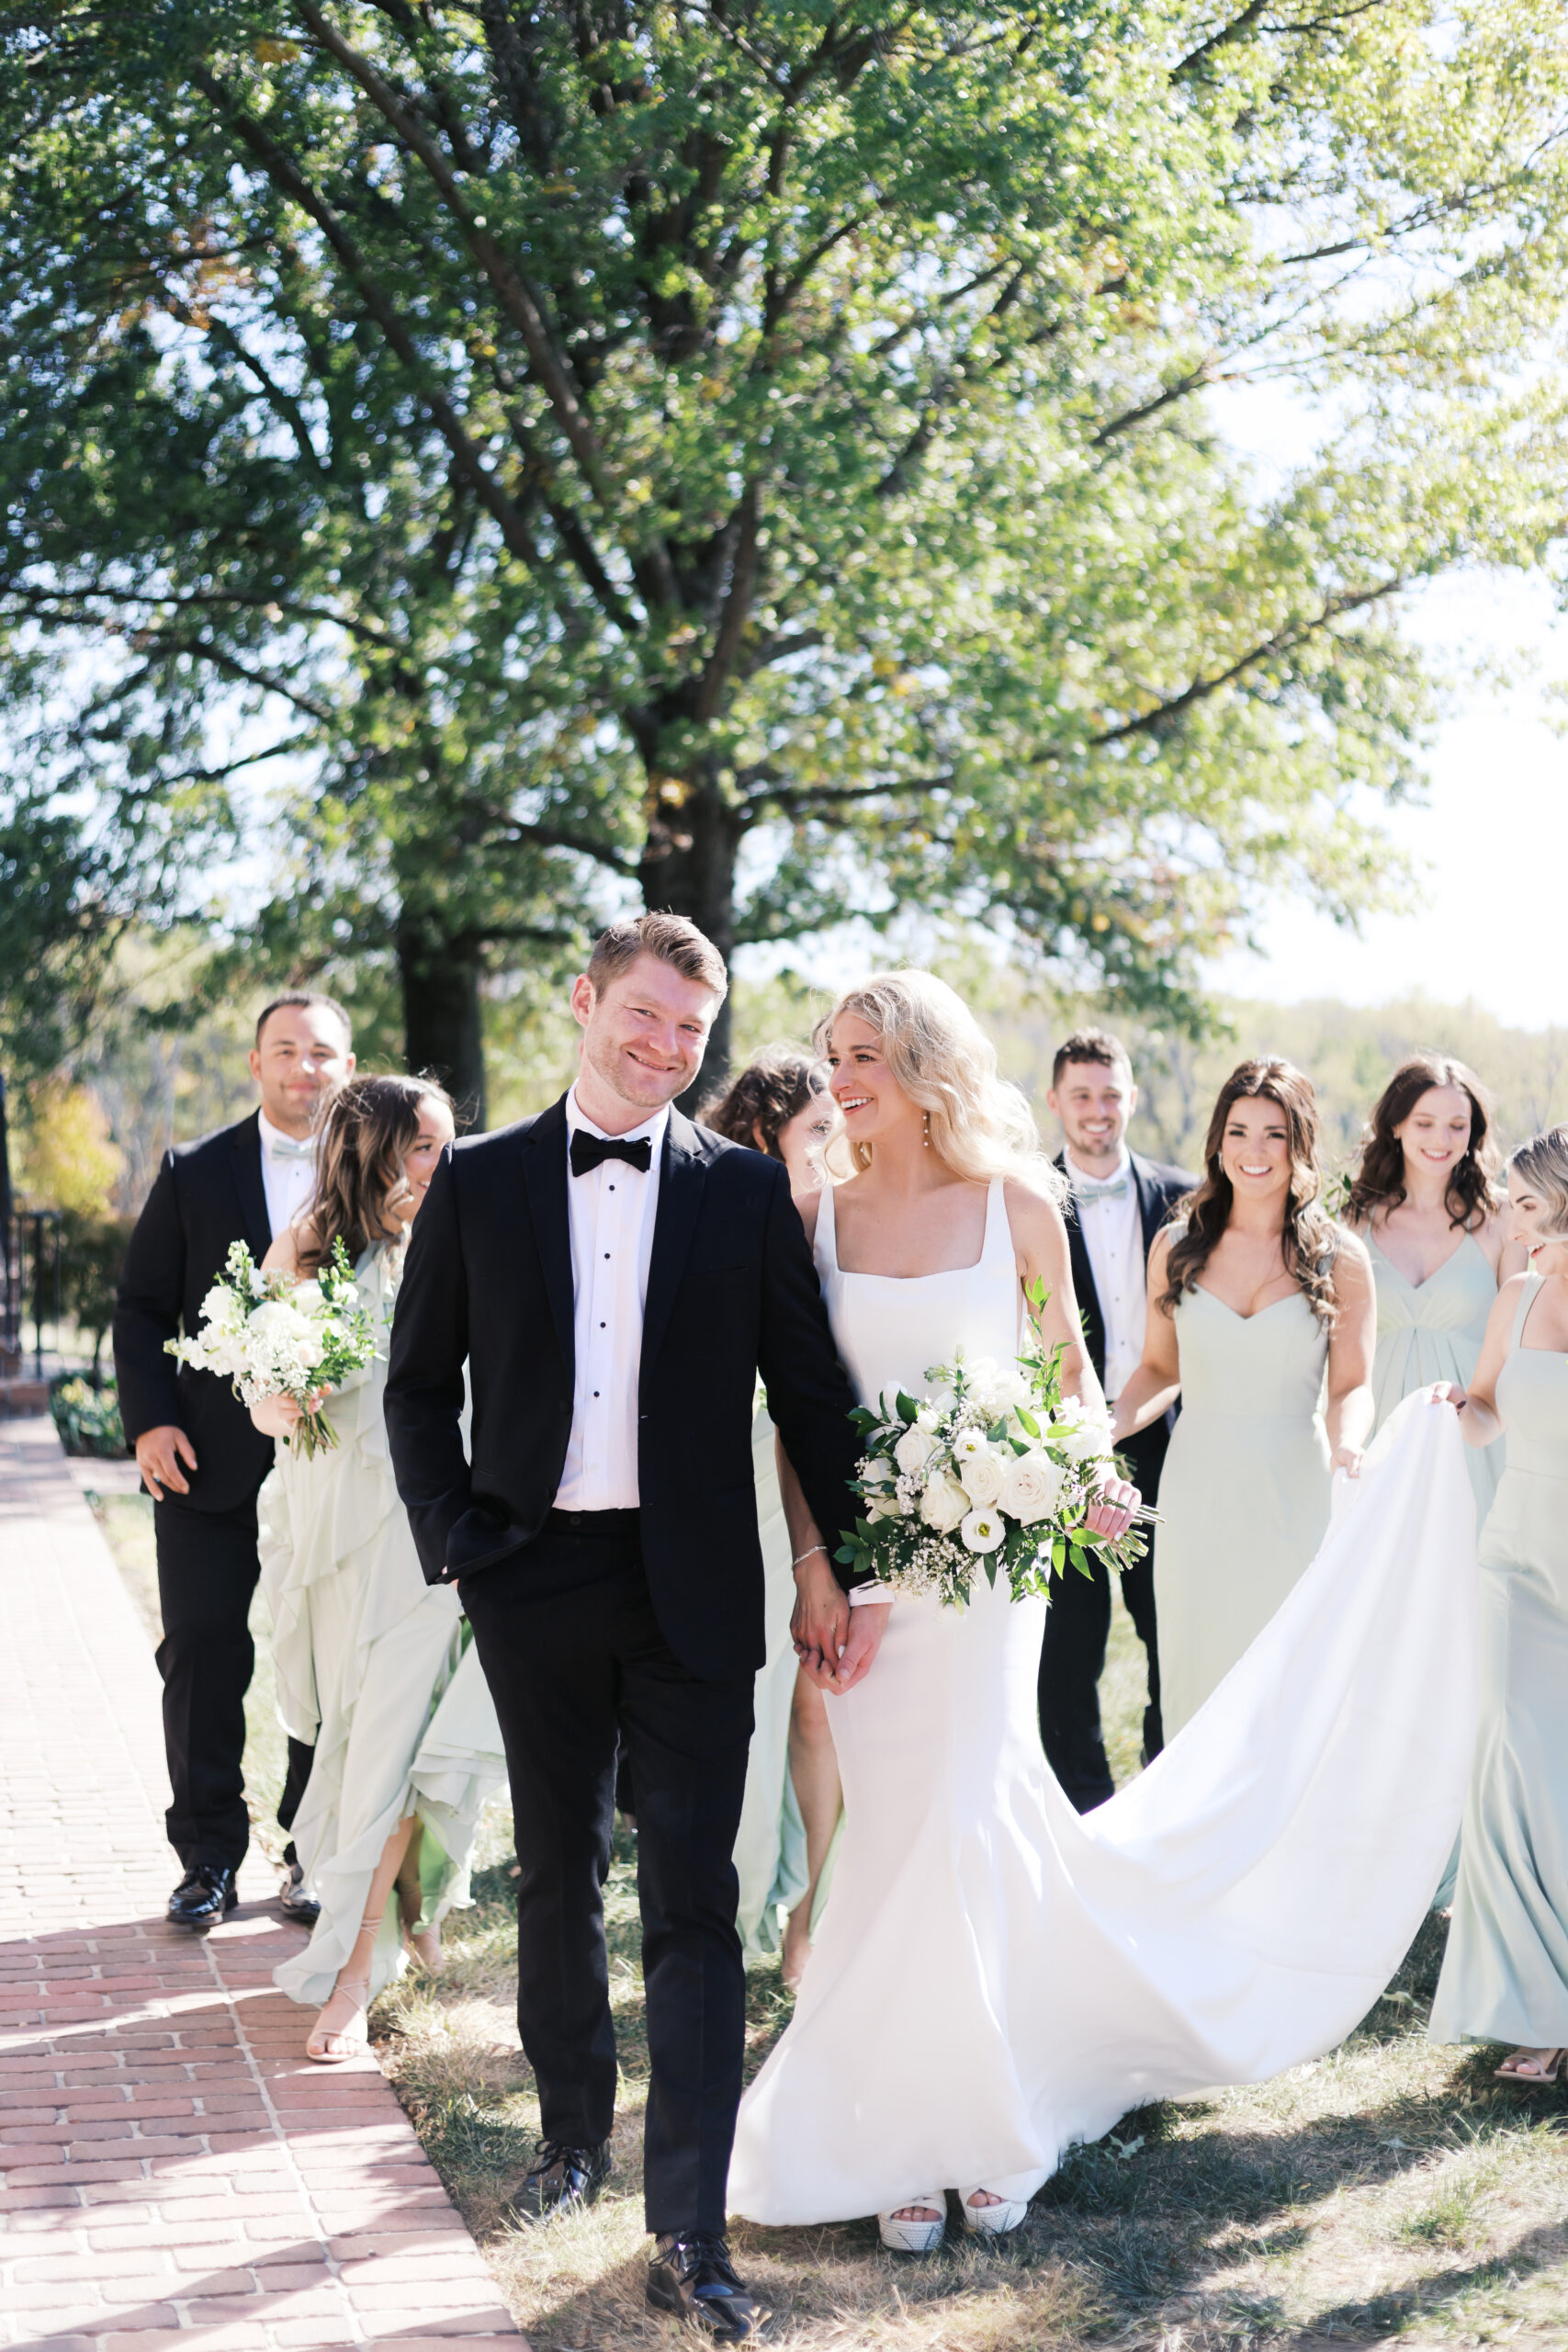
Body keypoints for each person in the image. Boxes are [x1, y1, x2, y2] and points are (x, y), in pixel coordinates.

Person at [729, 978, 1478, 2250]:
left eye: (864, 1056)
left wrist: (1049, 1481)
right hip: (866, 1575)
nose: (840, 1078)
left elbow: (1069, 1382)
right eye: (830, 1058)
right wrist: (814, 1565)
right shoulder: (807, 1219)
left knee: (960, 1822)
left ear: (922, 1066)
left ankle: (974, 2136)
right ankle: (892, 2127)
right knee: (897, 1838)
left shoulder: (1016, 1205)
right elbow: (798, 1419)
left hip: (990, 1578)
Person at [384, 913, 863, 2345]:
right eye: (643, 1018)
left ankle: (689, 2227)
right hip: (531, 1578)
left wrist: (855, 1560)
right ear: (584, 1001)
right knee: (556, 1875)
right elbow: (417, 1388)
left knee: (695, 1904)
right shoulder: (477, 1182)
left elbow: (815, 1393)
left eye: (688, 1034)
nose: (663, 1050)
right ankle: (570, 2137)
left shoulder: (739, 1197)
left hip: (696, 1593)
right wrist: (461, 1546)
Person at [252, 1074, 505, 2063]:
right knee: (356, 1742)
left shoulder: (469, 1240)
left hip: (427, 1526)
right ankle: (414, 1895)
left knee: (399, 1737)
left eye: (449, 1144)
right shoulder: (304, 1248)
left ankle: (352, 1976)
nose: (447, 1165)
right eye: (429, 1147)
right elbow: (261, 1377)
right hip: (333, 1527)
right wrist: (275, 1400)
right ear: (377, 1152)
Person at [113, 992, 355, 1929]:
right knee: (206, 1651)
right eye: (285, 1050)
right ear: (255, 1063)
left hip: (333, 1465)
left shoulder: (375, 1164)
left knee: (322, 1661)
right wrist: (147, 1423)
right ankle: (207, 1855)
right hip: (206, 1462)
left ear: (346, 1064)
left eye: (321, 1053)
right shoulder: (192, 1171)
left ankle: (309, 1851)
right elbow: (141, 1308)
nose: (304, 1068)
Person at [1111, 1059, 1376, 1738]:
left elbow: (1350, 1386)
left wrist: (1349, 1446)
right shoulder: (1176, 1246)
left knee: (1292, 1692)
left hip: (1296, 1492)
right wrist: (1090, 1431)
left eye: (1274, 1135)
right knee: (1199, 1679)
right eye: (1239, 1132)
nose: (1253, 1152)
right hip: (1198, 1496)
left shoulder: (1338, 1257)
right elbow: (1155, 1369)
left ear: (1300, 1146)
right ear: (1217, 1143)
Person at [1430, 1125, 1568, 2085]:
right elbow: (1486, 1409)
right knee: (1519, 1758)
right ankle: (1538, 2005)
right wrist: (1451, 1415)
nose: (1510, 1220)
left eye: (1525, 1203)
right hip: (1517, 1560)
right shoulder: (1514, 1298)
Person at [701, 1047, 841, 1984]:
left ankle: (813, 1916)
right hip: (739, 1486)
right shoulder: (718, 1216)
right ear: (762, 1134)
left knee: (820, 1708)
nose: (838, 1146)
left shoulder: (847, 1224)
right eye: (818, 1131)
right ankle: (735, 1899)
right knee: (757, 1706)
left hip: (832, 1480)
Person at [1042, 1030, 1192, 1807]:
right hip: (1061, 1449)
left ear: (1131, 1097)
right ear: (1055, 1103)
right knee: (1068, 1641)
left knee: (1171, 1625)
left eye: (1110, 1094)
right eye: (1081, 1096)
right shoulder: (1025, 1195)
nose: (1098, 1111)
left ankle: (1168, 1794)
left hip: (1170, 1440)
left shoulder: (1189, 1195)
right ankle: (1084, 1807)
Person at [1346, 1052, 1517, 1518]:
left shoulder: (1502, 1220)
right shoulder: (1351, 1219)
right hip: (1376, 1442)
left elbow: (1520, 1343)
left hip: (1472, 1440)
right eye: (1424, 1123)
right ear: (1396, 1126)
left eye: (1457, 1126)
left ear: (1473, 1134)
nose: (1441, 1140)